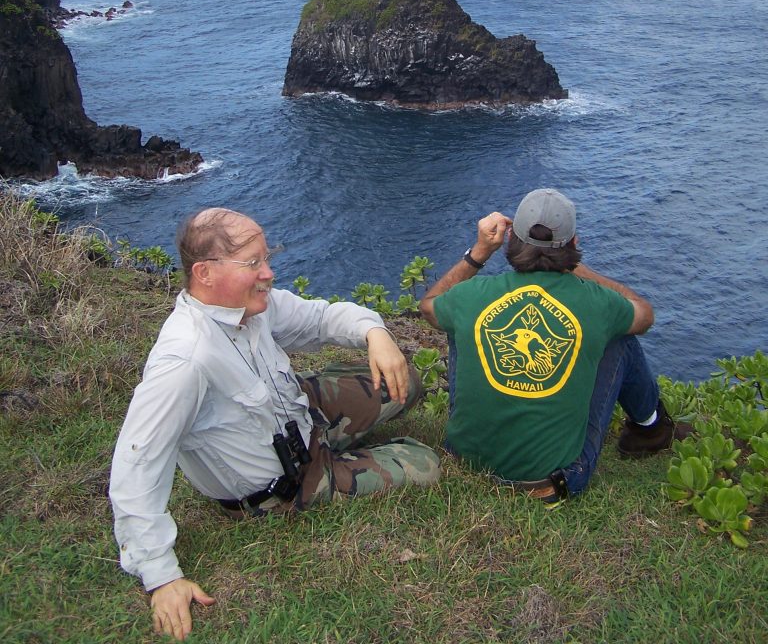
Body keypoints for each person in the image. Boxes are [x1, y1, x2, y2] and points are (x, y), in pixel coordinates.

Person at [110, 207, 440, 641]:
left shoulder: (250, 307)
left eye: (268, 257)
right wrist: (160, 575)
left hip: (301, 418)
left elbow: (320, 318)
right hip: (285, 484)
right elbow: (137, 462)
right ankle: (346, 463)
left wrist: (375, 334)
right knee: (425, 461)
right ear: (205, 273)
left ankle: (344, 443)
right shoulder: (185, 360)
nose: (268, 272)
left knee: (404, 381)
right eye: (253, 263)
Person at [419, 188, 690, 504]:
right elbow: (644, 315)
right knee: (621, 336)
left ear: (511, 239)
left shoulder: (473, 293)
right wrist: (575, 268)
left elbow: (429, 306)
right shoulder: (596, 303)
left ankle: (477, 438)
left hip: (466, 462)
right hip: (552, 482)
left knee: (458, 317)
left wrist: (479, 252)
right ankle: (650, 430)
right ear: (573, 243)